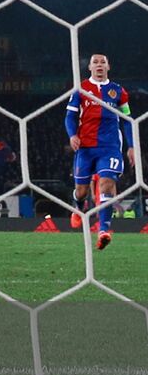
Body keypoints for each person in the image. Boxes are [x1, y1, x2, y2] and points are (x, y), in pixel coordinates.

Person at [66, 53, 135, 250]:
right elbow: (70, 117)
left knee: (106, 185)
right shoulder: (80, 90)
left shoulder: (118, 91)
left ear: (108, 67)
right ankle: (78, 206)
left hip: (110, 147)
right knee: (82, 191)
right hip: (86, 148)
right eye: (95, 62)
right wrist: (72, 135)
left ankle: (103, 230)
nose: (99, 65)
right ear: (89, 67)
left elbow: (128, 120)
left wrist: (131, 146)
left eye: (102, 62)